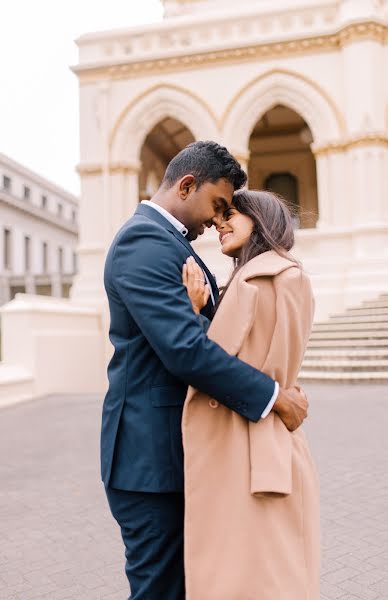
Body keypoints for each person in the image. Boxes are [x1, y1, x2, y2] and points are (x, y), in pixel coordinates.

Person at [101, 141, 309, 600]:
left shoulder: (170, 243)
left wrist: (197, 314)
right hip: (149, 463)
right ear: (187, 184)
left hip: (175, 458)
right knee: (162, 590)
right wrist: (275, 398)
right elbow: (184, 351)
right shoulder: (144, 241)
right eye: (217, 205)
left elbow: (205, 339)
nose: (217, 220)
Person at [182, 190, 320, 600]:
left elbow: (211, 363)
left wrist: (191, 318)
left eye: (232, 214)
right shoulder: (255, 278)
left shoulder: (277, 277)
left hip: (253, 447)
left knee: (260, 580)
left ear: (260, 219)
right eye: (220, 214)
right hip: (250, 441)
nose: (220, 223)